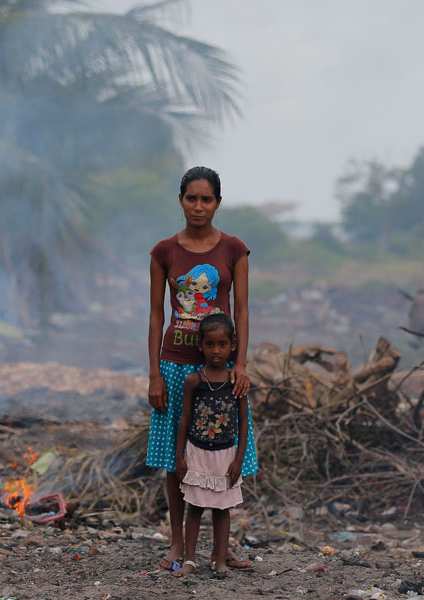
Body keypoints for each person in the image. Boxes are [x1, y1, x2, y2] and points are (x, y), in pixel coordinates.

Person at [147, 166, 257, 572]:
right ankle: (178, 544)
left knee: (227, 453)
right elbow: (157, 317)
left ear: (218, 203)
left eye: (206, 199)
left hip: (221, 370)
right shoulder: (164, 252)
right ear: (180, 201)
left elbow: (242, 310)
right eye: (191, 198)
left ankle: (222, 548)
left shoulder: (234, 249)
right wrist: (155, 374)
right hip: (175, 366)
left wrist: (240, 362)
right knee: (177, 459)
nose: (198, 206)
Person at [172, 313, 247, 577]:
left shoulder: (236, 382)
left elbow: (244, 423)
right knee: (195, 507)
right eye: (210, 344)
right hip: (197, 452)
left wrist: (239, 459)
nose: (216, 351)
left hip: (225, 455)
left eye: (222, 344)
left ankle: (220, 561)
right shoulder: (194, 381)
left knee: (222, 509)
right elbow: (184, 418)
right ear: (200, 346)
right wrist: (180, 456)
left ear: (233, 345)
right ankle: (190, 561)